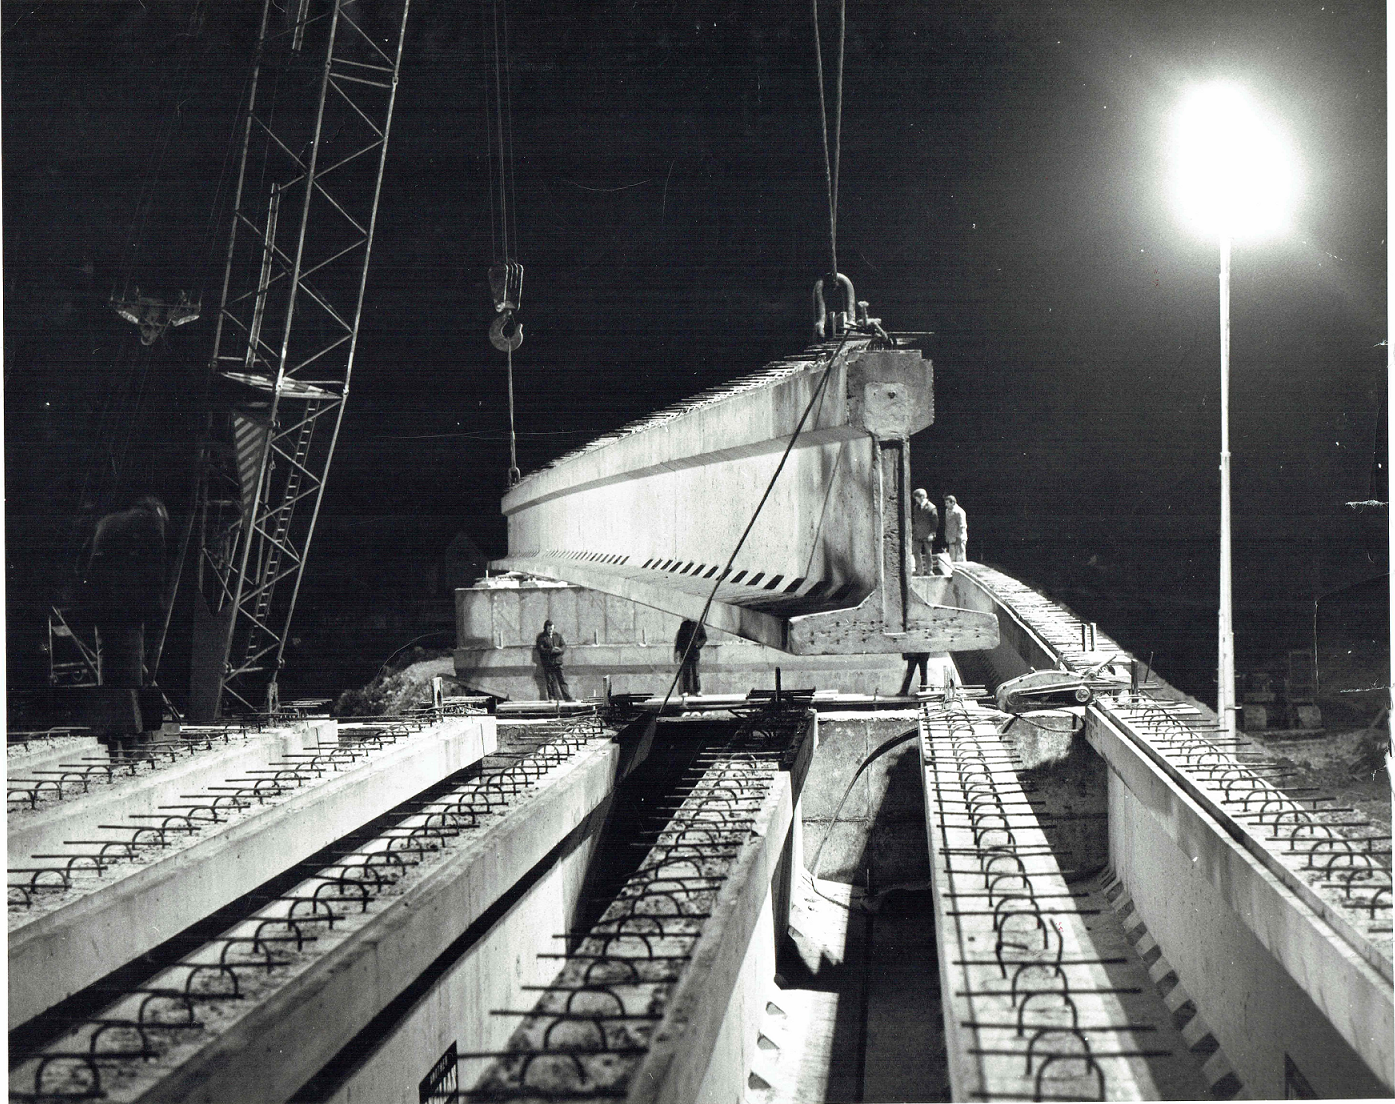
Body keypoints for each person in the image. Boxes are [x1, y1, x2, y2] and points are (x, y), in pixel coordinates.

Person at [80, 495, 168, 752]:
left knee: (109, 666)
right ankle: (130, 735)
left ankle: (113, 733)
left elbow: (85, 565)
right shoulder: (152, 521)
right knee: (130, 665)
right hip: (130, 606)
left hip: (101, 606)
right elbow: (156, 566)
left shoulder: (106, 522)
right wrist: (156, 605)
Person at [534, 619, 573, 701]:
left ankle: (567, 697)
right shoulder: (541, 637)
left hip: (558, 662)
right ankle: (552, 698)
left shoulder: (558, 636)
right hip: (548, 663)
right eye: (549, 629)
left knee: (562, 680)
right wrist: (551, 650)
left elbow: (563, 645)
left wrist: (559, 650)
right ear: (546, 628)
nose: (551, 630)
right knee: (550, 681)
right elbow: (540, 649)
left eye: (552, 628)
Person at [674, 619, 707, 694]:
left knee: (696, 673)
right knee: (686, 673)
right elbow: (679, 639)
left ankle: (697, 690)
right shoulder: (684, 625)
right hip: (685, 653)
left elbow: (704, 638)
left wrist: (698, 645)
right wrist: (677, 651)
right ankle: (686, 690)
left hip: (695, 653)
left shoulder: (699, 625)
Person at [910, 488, 939, 575]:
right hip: (917, 534)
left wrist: (932, 533)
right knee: (916, 551)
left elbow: (935, 522)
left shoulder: (931, 507)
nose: (916, 500)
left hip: (927, 534)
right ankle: (919, 570)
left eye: (917, 498)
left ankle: (930, 570)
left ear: (922, 497)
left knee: (928, 552)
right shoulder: (916, 507)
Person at [944, 495, 968, 562]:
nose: (946, 505)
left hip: (958, 538)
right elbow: (947, 525)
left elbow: (962, 526)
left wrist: (959, 537)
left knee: (960, 558)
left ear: (953, 503)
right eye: (945, 503)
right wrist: (947, 535)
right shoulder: (947, 511)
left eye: (948, 503)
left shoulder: (959, 512)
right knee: (952, 558)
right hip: (951, 538)